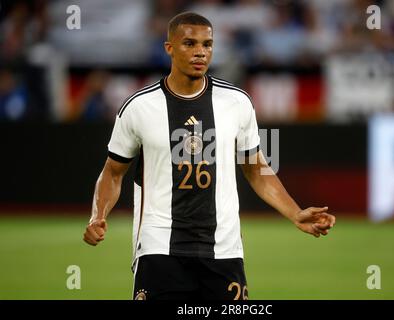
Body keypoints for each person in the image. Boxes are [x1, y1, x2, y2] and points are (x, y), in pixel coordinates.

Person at [83, 12, 336, 300]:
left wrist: (295, 212)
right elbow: (113, 173)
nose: (200, 52)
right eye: (189, 43)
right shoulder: (138, 107)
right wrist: (97, 216)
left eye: (207, 44)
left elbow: (257, 169)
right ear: (169, 48)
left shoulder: (238, 103)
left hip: (224, 250)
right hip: (159, 248)